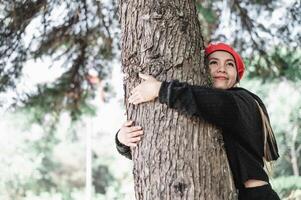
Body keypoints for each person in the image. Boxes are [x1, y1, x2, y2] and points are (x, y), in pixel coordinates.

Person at [115, 43, 280, 200]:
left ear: (237, 76)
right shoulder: (211, 116)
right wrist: (122, 140)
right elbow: (167, 147)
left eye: (230, 64)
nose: (222, 68)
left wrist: (160, 89)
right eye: (213, 62)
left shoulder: (243, 101)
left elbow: (215, 102)